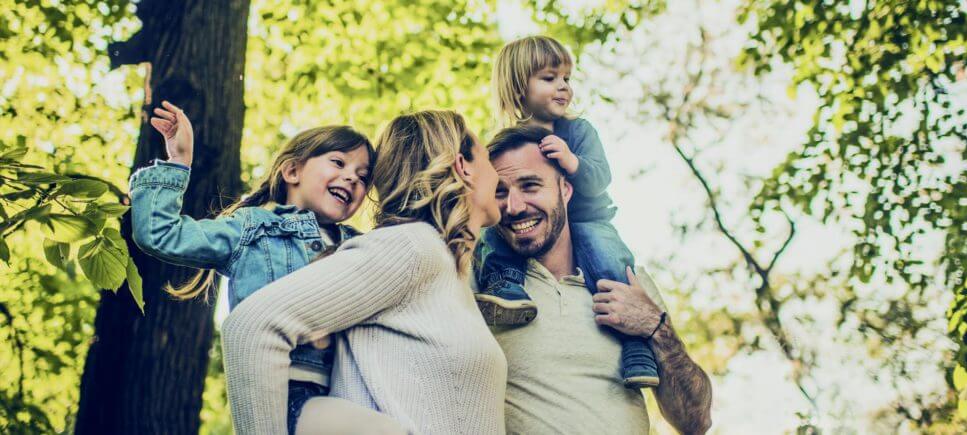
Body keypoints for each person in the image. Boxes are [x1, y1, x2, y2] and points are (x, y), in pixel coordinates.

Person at [221, 110, 509, 434]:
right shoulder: (410, 248)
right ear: (462, 166)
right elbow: (251, 325)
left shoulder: (445, 269)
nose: (499, 177)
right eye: (488, 158)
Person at [130, 101, 375, 434]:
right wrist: (178, 162)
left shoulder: (360, 247)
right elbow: (160, 234)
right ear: (293, 172)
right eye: (338, 162)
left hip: (349, 390)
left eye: (363, 177)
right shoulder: (252, 229)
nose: (351, 177)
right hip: (284, 395)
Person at [484, 125, 714, 434]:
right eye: (500, 192)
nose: (514, 206)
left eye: (530, 186)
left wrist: (656, 328)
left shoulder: (627, 281)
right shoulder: (483, 285)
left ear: (565, 190)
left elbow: (695, 420)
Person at [475, 34, 660, 388]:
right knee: (492, 232)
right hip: (534, 229)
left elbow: (601, 178)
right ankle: (505, 286)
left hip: (587, 220)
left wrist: (571, 162)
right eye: (549, 78)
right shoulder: (505, 143)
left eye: (566, 79)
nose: (563, 87)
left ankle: (635, 346)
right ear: (517, 88)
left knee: (609, 260)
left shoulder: (578, 131)